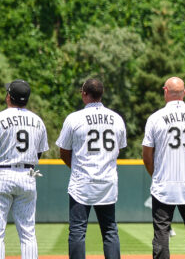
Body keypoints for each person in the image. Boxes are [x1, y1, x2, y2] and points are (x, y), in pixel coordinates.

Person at [0, 80, 49, 259]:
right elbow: (38, 153)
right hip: (27, 174)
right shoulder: (38, 121)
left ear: (9, 96)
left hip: (1, 173)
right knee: (28, 232)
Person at [56, 78, 127, 259]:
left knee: (78, 230)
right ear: (101, 94)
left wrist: (77, 167)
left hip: (82, 181)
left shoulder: (74, 118)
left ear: (84, 94)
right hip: (107, 181)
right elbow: (118, 149)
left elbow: (63, 151)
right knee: (110, 230)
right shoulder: (117, 119)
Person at [142, 77, 185, 259]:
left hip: (163, 184)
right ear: (184, 93)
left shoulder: (155, 118)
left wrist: (155, 174)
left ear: (165, 91)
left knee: (161, 231)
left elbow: (147, 156)